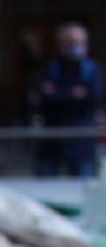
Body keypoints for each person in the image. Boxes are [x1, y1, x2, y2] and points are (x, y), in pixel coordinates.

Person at [32, 22, 104, 177]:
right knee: (46, 188)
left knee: (83, 190)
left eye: (80, 42)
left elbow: (94, 98)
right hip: (52, 141)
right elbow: (44, 98)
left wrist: (60, 93)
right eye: (71, 42)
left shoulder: (92, 70)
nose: (76, 46)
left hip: (82, 141)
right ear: (62, 44)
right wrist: (75, 94)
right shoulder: (51, 69)